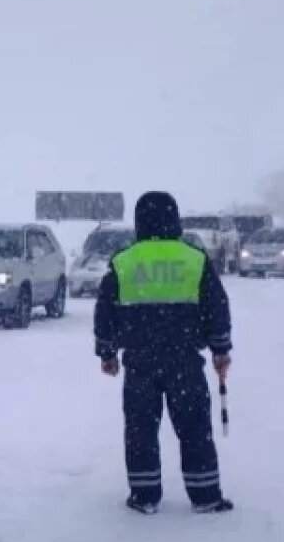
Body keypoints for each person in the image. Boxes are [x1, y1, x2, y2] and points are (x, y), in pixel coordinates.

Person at [94, 191, 234, 515]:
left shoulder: (124, 260)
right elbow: (216, 307)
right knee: (195, 428)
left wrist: (107, 351)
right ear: (176, 218)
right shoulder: (194, 258)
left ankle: (144, 496)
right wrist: (220, 349)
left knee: (141, 431)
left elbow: (106, 310)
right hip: (184, 360)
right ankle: (205, 496)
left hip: (140, 362)